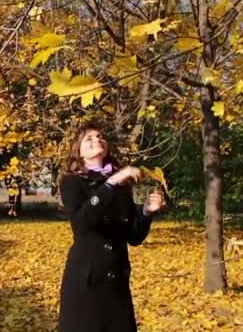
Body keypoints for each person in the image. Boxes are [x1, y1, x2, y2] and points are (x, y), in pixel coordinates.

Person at [57, 123, 165, 332]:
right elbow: (81, 223)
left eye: (100, 136)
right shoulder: (72, 182)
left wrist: (146, 212)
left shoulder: (122, 185)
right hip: (86, 281)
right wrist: (111, 183)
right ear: (78, 151)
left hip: (117, 283)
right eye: (88, 138)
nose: (97, 140)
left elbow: (133, 237)